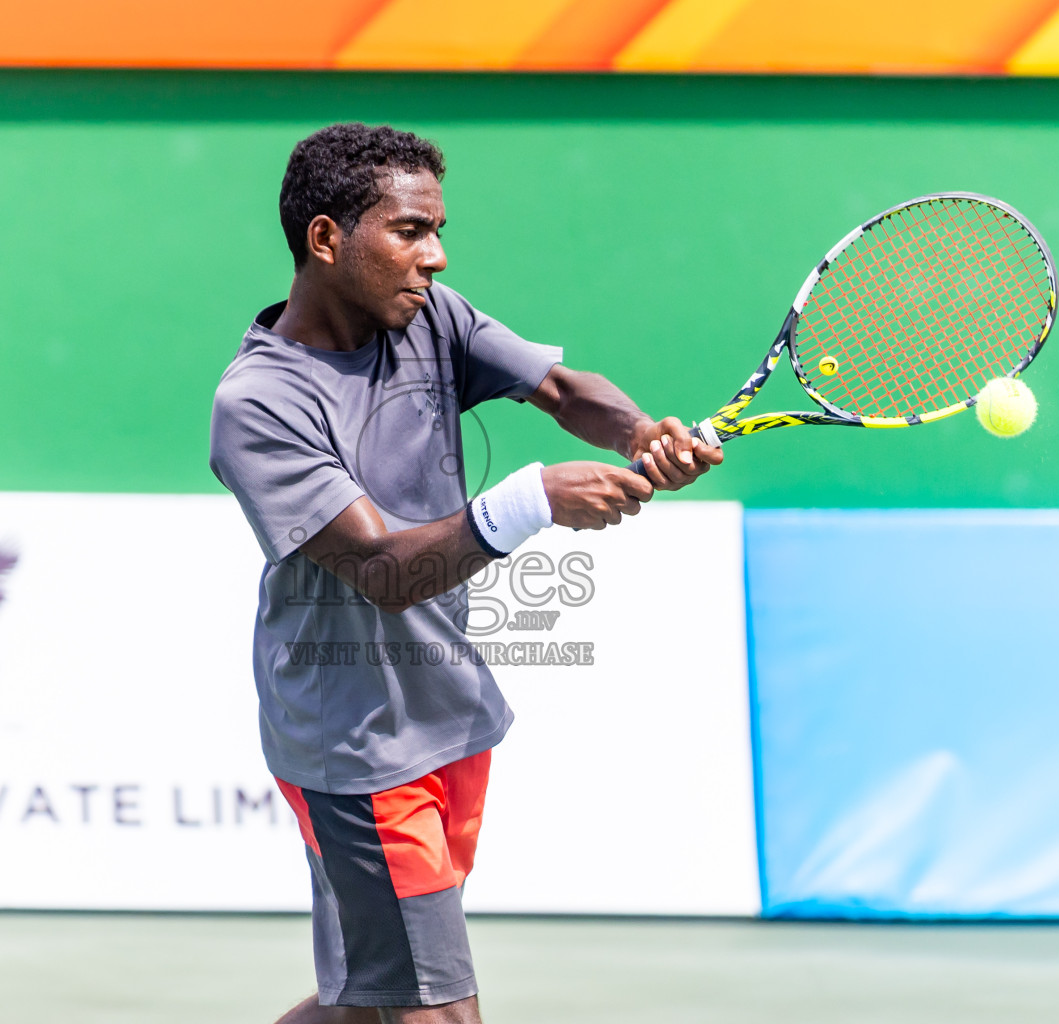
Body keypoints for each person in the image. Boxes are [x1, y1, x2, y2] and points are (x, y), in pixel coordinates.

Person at [209, 123, 722, 1024]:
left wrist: (640, 431)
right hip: (355, 741)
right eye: (409, 232)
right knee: (437, 1007)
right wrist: (534, 501)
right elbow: (379, 568)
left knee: (373, 998)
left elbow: (564, 391)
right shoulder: (261, 402)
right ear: (326, 239)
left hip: (446, 713)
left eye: (437, 230)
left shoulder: (430, 318)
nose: (436, 257)